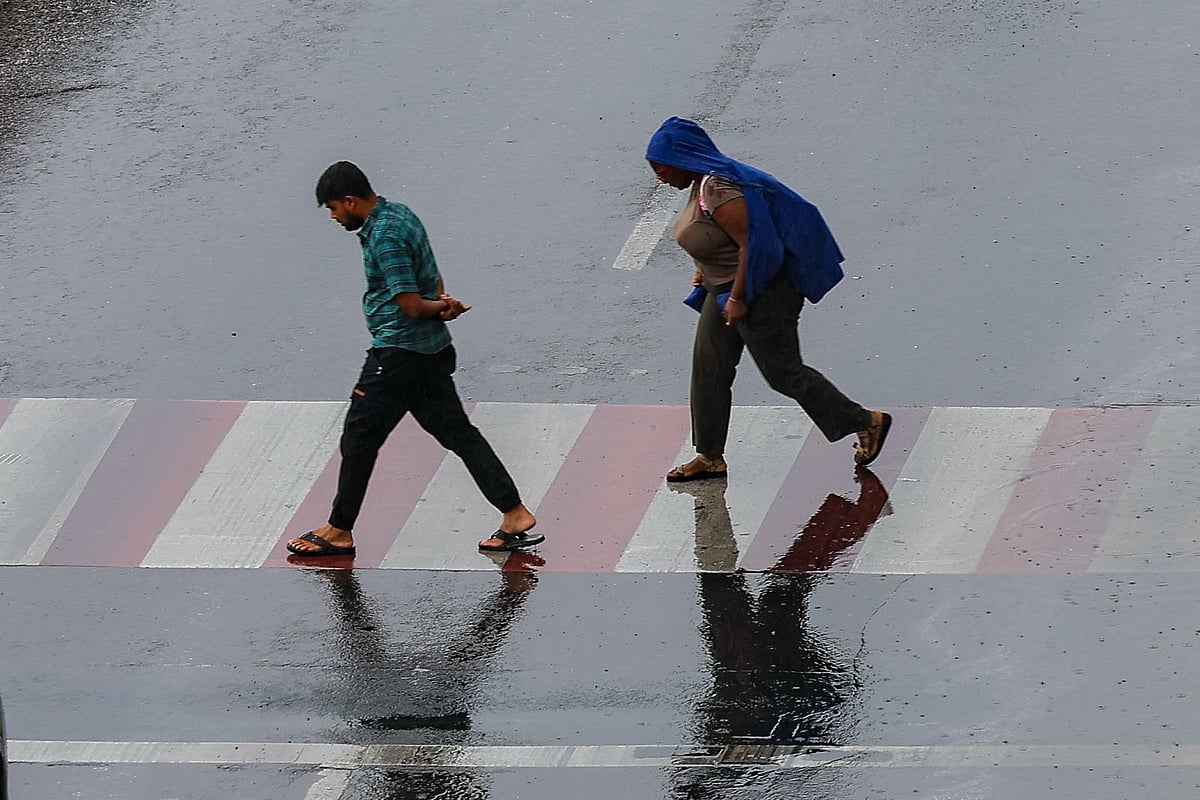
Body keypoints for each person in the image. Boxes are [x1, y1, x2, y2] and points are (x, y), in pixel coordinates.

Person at [286, 161, 541, 556]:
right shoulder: (400, 213)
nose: (334, 217)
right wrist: (442, 304)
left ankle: (339, 529)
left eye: (334, 208)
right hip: (431, 352)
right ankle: (514, 512)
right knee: (459, 434)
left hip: (398, 356)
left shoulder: (384, 236)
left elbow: (408, 305)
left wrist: (437, 309)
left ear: (350, 201)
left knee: (358, 439)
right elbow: (431, 278)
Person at [646, 116, 891, 482]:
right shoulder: (700, 185)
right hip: (723, 289)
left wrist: (740, 298)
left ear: (683, 157)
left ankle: (866, 421)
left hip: (762, 291)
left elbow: (757, 245)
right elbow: (716, 239)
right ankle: (710, 456)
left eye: (661, 167)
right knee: (709, 369)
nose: (659, 177)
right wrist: (706, 269)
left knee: (783, 373)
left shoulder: (718, 189)